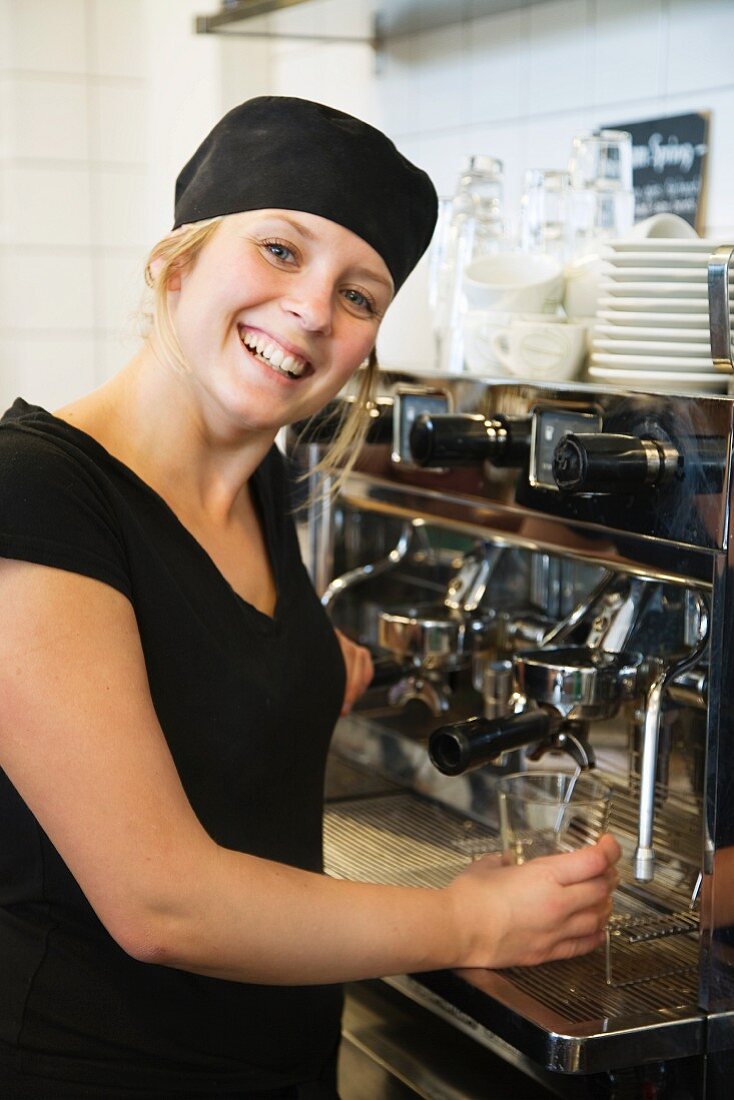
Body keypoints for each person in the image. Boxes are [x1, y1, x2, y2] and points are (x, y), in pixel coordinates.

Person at [0, 96, 620, 1099]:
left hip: (278, 1061)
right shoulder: (34, 490)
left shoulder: (258, 482)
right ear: (178, 260)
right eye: (280, 250)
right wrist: (471, 920)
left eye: (360, 294)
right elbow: (160, 900)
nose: (311, 309)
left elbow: (191, 656)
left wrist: (290, 668)